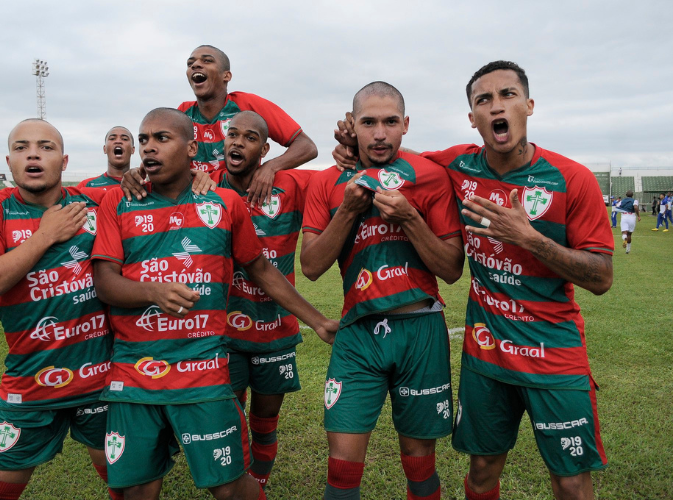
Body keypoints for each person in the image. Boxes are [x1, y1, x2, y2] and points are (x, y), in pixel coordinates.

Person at [333, 62, 614, 500]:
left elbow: (601, 277)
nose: (496, 106)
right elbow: (397, 159)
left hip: (554, 353)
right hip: (487, 354)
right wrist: (354, 150)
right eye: (484, 100)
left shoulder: (570, 178)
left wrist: (530, 239)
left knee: (572, 480)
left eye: (507, 95)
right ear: (472, 117)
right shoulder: (456, 165)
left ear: (529, 105)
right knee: (481, 469)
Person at [91, 107, 337, 500]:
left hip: (203, 370)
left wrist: (318, 321)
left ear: (191, 147)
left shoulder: (223, 202)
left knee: (231, 487)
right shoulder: (118, 203)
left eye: (161, 138)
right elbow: (105, 282)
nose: (149, 148)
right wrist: (154, 291)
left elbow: (260, 270)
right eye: (144, 140)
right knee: (135, 490)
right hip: (134, 376)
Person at [301, 82, 464, 500]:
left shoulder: (430, 176)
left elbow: (450, 270)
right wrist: (351, 211)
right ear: (351, 126)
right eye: (368, 122)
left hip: (421, 330)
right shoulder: (326, 183)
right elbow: (311, 266)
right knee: (341, 467)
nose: (379, 133)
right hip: (358, 335)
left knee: (419, 461)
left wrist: (410, 218)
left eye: (390, 122)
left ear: (405, 125)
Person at [0, 119, 121, 500]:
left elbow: (161, 189)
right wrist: (46, 235)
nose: (33, 153)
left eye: (45, 147)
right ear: (10, 162)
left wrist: (201, 178)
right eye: (21, 147)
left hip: (103, 378)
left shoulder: (96, 202)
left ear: (63, 162)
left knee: (125, 481)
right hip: (30, 380)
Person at [203, 110, 314, 488]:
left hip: (274, 329)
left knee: (265, 422)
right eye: (232, 134)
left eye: (249, 138)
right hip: (223, 334)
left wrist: (349, 151)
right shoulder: (204, 187)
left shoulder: (291, 186)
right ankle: (239, 485)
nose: (237, 141)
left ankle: (259, 481)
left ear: (265, 149)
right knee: (229, 421)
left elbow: (341, 178)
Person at [179, 45, 318, 206]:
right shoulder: (182, 113)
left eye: (207, 61)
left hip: (245, 201)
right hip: (201, 202)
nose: (195, 65)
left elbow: (307, 146)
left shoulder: (248, 105)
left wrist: (270, 167)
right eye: (190, 63)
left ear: (227, 75)